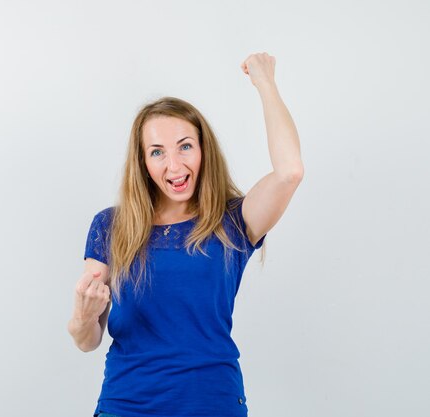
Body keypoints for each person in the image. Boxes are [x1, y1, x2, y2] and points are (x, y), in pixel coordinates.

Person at [67, 52, 303, 417]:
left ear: (203, 149)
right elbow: (87, 341)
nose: (174, 166)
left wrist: (265, 82)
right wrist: (83, 317)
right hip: (127, 405)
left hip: (212, 404)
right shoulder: (111, 225)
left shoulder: (233, 222)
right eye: (157, 152)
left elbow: (289, 172)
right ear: (143, 163)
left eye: (185, 146)